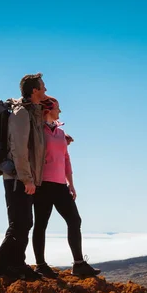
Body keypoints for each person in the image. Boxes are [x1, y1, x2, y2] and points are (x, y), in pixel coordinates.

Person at [31, 96, 100, 278]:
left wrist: (71, 183)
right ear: (48, 110)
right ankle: (40, 265)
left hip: (61, 185)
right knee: (41, 224)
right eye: (57, 108)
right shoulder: (38, 131)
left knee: (75, 220)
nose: (59, 111)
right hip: (43, 185)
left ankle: (79, 264)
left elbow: (66, 159)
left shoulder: (61, 134)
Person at [0, 73, 47, 280]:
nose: (45, 91)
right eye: (43, 87)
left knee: (24, 222)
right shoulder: (21, 114)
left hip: (22, 176)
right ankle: (4, 262)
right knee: (19, 222)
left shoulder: (30, 112)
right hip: (17, 177)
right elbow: (19, 149)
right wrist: (26, 178)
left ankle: (16, 263)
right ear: (34, 90)